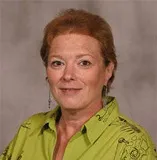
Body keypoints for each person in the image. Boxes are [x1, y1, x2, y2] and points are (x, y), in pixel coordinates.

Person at [0, 8, 156, 160]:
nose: (68, 75)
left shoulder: (132, 144)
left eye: (84, 63)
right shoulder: (29, 130)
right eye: (57, 63)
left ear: (108, 70)